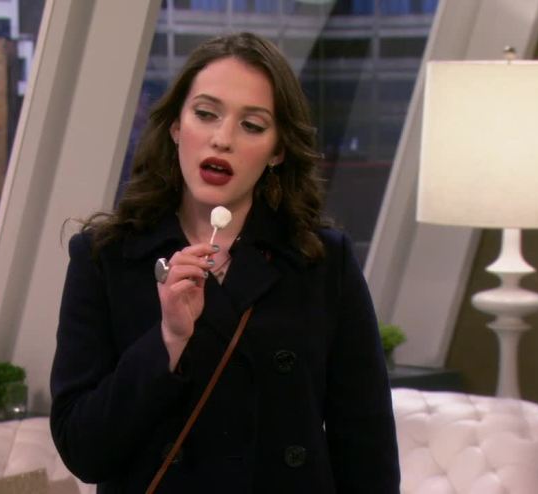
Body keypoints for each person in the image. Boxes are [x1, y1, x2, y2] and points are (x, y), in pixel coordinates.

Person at [50, 32, 400, 493]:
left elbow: (368, 450)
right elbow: (83, 450)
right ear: (176, 126)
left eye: (251, 125)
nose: (222, 139)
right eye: (205, 114)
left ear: (277, 151)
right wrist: (168, 340)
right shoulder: (106, 258)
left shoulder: (320, 261)